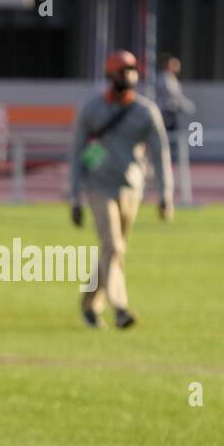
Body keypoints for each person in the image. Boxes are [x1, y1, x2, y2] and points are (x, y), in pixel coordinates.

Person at [69, 49, 173, 330]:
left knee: (113, 250)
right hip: (98, 186)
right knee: (113, 245)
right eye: (121, 71)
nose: (126, 76)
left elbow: (160, 153)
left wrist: (166, 195)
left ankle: (90, 305)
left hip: (131, 189)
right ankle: (120, 308)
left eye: (130, 71)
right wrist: (74, 196)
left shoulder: (145, 112)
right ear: (110, 75)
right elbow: (77, 151)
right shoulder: (91, 109)